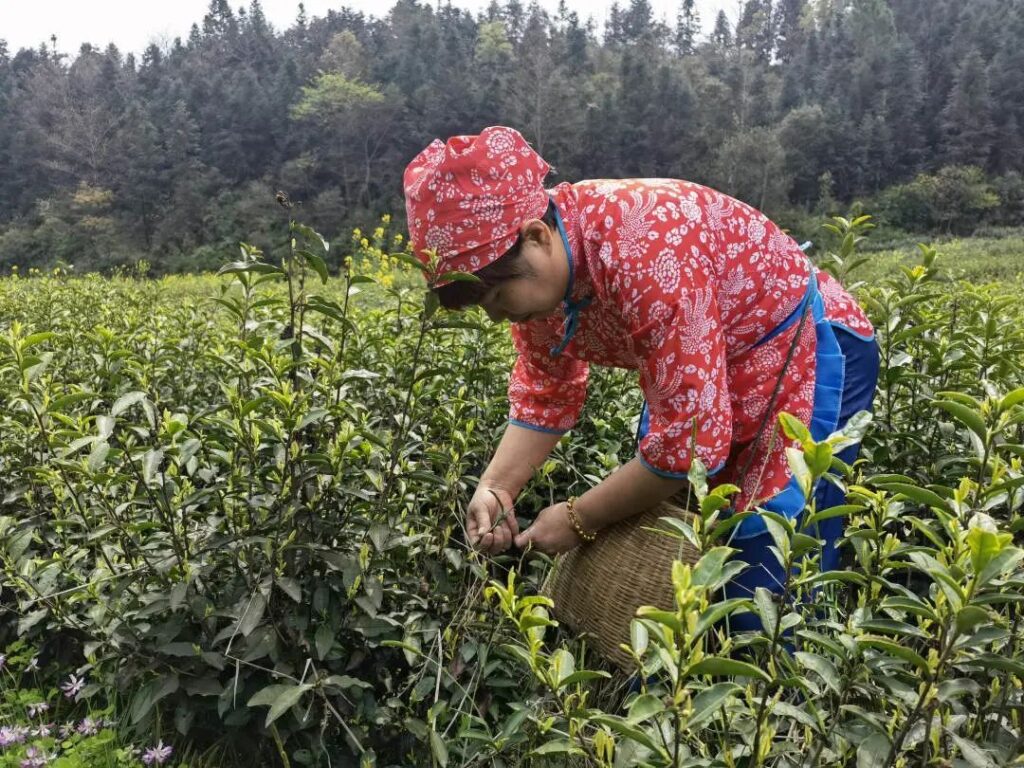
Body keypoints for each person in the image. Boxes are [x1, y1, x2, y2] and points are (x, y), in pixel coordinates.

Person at [402, 126, 879, 624]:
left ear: (537, 237)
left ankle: (773, 681)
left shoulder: (643, 249)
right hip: (701, 364)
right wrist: (496, 486)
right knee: (683, 526)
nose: (497, 318)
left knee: (771, 550)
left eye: (498, 298)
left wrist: (577, 519)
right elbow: (547, 392)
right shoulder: (540, 287)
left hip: (803, 345)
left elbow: (686, 447)